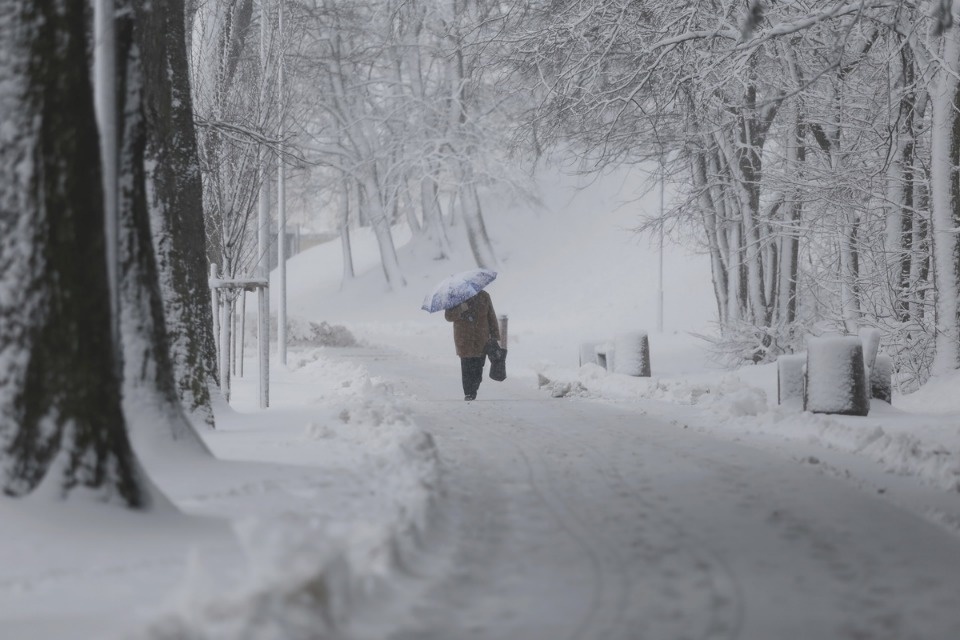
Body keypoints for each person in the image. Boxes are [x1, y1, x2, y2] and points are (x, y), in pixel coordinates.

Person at [445, 289, 500, 401]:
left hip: (481, 339)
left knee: (478, 370)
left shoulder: (484, 296)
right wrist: (460, 309)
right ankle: (469, 393)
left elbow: (491, 316)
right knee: (466, 368)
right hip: (464, 340)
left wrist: (494, 336)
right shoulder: (456, 297)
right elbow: (448, 316)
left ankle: (473, 388)